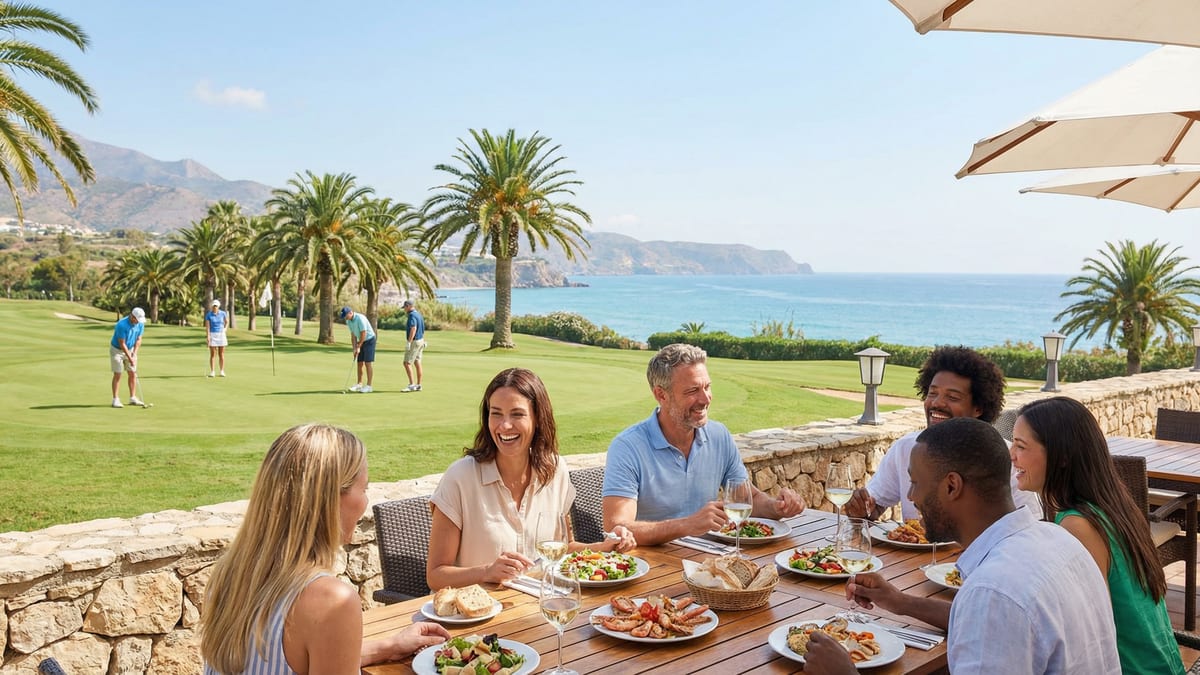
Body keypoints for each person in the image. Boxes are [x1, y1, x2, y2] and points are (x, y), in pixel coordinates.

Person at [803, 418, 1121, 675]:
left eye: (915, 482)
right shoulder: (1057, 540)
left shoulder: (993, 591)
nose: (911, 497)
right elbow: (992, 620)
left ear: (952, 486)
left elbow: (994, 607)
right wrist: (898, 602)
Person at [200, 424, 450, 673]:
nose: (365, 501)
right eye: (364, 489)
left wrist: (389, 646)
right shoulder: (331, 600)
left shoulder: (229, 574)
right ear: (330, 501)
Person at [1012, 397, 1185, 675]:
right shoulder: (1107, 505)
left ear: (1063, 457)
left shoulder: (1078, 525)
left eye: (1021, 446)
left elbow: (1086, 632)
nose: (1012, 455)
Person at [427, 367, 636, 589]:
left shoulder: (555, 470)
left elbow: (563, 548)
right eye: (496, 413)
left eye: (517, 414)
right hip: (478, 615)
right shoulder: (460, 477)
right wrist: (486, 572)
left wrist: (607, 546)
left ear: (538, 418)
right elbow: (436, 575)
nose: (504, 426)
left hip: (539, 606)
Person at [601, 343, 806, 546]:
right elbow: (616, 528)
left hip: (709, 559)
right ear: (661, 395)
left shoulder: (719, 436)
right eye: (692, 391)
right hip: (654, 566)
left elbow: (747, 500)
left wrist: (777, 507)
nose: (705, 398)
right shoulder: (628, 447)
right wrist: (687, 524)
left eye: (707, 387)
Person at [845, 345, 1041, 520]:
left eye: (953, 397)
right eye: (932, 393)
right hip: (916, 560)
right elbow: (874, 505)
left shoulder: (1006, 459)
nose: (937, 403)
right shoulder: (907, 448)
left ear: (979, 407)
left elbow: (1031, 526)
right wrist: (862, 508)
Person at [109, 307, 146, 408]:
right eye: (137, 319)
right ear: (132, 316)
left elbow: (139, 339)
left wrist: (134, 353)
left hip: (130, 349)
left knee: (132, 373)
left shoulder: (140, 324)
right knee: (118, 374)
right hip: (117, 350)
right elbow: (122, 344)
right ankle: (115, 400)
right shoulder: (122, 325)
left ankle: (132, 398)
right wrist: (130, 358)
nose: (138, 322)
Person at [340, 306, 376, 393]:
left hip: (369, 340)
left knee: (367, 363)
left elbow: (363, 333)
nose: (346, 317)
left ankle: (369, 386)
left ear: (350, 312)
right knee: (359, 363)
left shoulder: (360, 318)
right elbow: (353, 335)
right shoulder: (348, 321)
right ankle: (359, 384)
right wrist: (354, 348)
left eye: (346, 315)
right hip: (361, 340)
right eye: (344, 316)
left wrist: (359, 346)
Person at [402, 300, 426, 392]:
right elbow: (422, 329)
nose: (404, 309)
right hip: (420, 340)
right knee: (417, 362)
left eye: (404, 307)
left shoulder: (412, 315)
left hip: (415, 341)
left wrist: (409, 342)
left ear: (408, 306)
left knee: (407, 363)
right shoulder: (419, 314)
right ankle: (419, 385)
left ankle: (412, 385)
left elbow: (413, 328)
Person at [205, 299, 229, 377]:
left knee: (221, 354)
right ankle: (212, 371)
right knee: (213, 354)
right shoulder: (209, 315)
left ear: (218, 306)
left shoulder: (223, 313)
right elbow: (207, 327)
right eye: (214, 306)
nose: (215, 307)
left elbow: (227, 322)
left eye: (216, 306)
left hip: (221, 334)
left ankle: (222, 371)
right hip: (212, 334)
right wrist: (208, 336)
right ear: (212, 306)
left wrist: (225, 329)